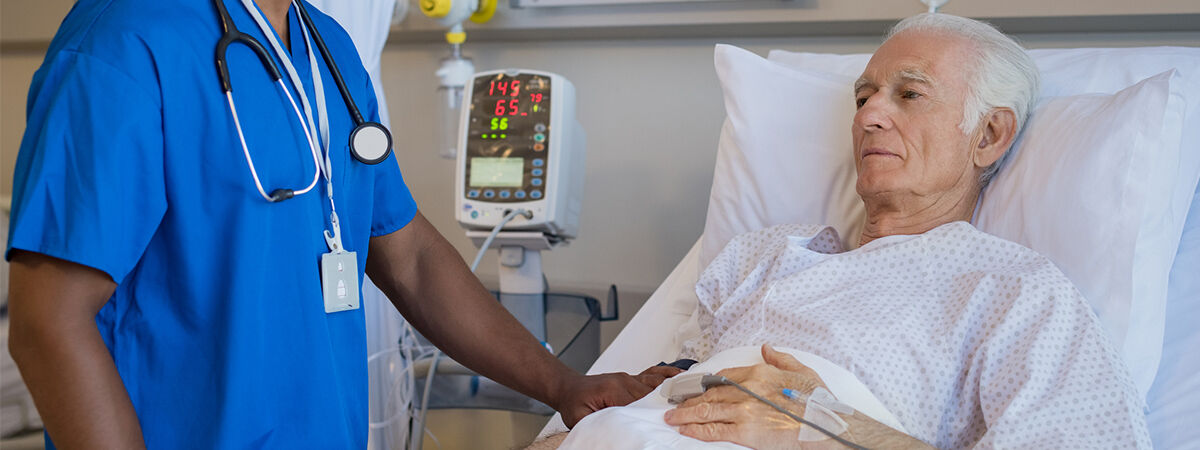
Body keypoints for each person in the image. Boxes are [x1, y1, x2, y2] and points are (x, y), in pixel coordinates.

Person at [4, 0, 657, 448]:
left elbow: (409, 256)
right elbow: (47, 324)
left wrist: (564, 385)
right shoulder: (121, 45)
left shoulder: (324, 48)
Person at [555, 13, 1151, 449]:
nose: (868, 115)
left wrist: (832, 428)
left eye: (909, 94)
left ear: (989, 136)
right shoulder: (759, 258)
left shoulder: (1014, 292)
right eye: (863, 97)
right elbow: (661, 405)